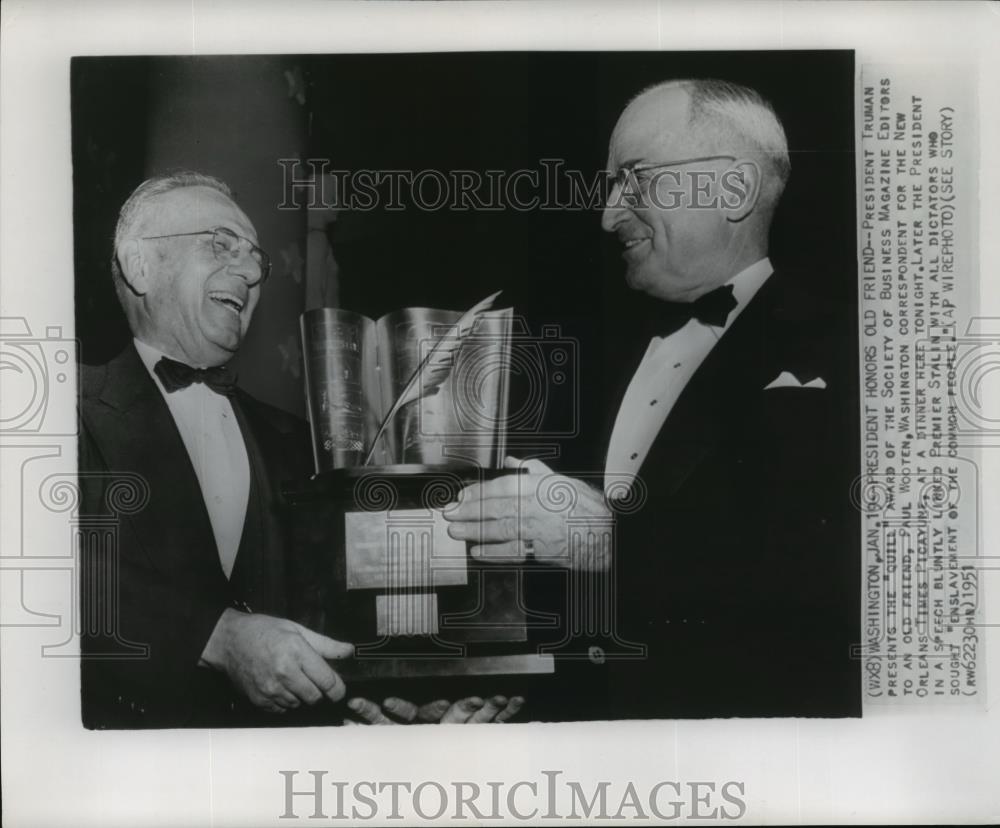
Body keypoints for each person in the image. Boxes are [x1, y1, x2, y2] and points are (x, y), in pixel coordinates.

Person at [444, 79, 860, 719]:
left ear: (734, 190)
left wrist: (609, 541)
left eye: (634, 180)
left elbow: (819, 576)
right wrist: (511, 693)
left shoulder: (857, 347)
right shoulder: (587, 357)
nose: (608, 214)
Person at [79, 172, 522, 727]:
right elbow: (44, 580)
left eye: (255, 259)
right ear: (139, 264)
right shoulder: (58, 411)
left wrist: (423, 701)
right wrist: (217, 637)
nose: (248, 271)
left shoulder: (297, 441)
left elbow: (345, 608)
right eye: (221, 244)